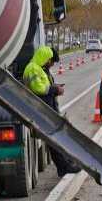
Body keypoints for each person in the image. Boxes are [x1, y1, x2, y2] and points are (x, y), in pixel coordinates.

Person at [23, 45, 79, 175]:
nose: (51, 63)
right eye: (50, 60)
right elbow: (39, 89)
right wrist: (55, 89)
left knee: (57, 139)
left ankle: (66, 164)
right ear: (45, 58)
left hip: (48, 109)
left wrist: (55, 87)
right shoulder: (33, 69)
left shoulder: (40, 69)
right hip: (43, 110)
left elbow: (45, 86)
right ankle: (64, 167)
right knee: (54, 141)